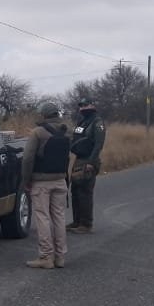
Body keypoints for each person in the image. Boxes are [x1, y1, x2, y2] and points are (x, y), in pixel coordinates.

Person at [22, 101, 70, 269]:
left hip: (41, 181)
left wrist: (26, 180)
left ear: (43, 115)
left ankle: (46, 256)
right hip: (60, 180)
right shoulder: (66, 131)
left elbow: (28, 158)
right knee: (59, 217)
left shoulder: (38, 132)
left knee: (42, 217)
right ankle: (60, 257)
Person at [67, 97, 106, 233]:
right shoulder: (82, 122)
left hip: (88, 160)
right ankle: (76, 221)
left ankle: (86, 224)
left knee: (85, 192)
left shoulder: (97, 122)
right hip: (78, 159)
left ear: (93, 105)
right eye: (81, 105)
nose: (83, 108)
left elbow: (98, 144)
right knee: (75, 191)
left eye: (85, 105)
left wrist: (91, 162)